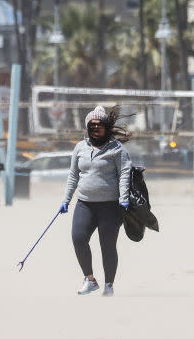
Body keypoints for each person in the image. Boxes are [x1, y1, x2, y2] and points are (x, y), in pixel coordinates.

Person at [59, 105, 133, 297]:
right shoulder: (80, 148)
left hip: (110, 205)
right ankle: (90, 280)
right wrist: (66, 200)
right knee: (78, 238)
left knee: (107, 245)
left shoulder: (117, 149)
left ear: (106, 127)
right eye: (92, 125)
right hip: (85, 203)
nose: (95, 128)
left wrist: (124, 198)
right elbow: (73, 175)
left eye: (99, 124)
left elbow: (125, 173)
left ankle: (109, 284)